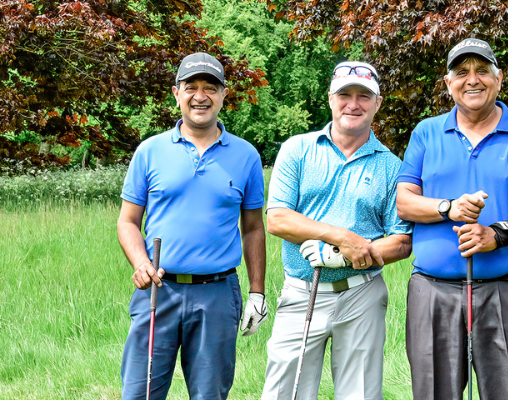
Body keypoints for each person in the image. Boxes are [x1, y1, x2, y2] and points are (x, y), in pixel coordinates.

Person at [396, 38, 508, 400]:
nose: (473, 79)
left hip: (507, 287)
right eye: (462, 72)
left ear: (498, 79)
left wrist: (496, 235)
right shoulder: (426, 132)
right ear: (448, 82)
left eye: (482, 71)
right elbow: (405, 202)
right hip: (433, 289)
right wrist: (448, 208)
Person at [117, 52, 268, 400]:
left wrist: (257, 291)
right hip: (158, 291)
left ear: (224, 95)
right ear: (176, 93)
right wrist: (141, 263)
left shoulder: (246, 156)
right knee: (139, 392)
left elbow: (253, 228)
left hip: (217, 293)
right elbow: (128, 222)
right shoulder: (150, 151)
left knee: (210, 395)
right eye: (191, 87)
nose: (200, 96)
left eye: (210, 88)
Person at [261, 61, 412, 400]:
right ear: (330, 98)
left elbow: (401, 242)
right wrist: (339, 238)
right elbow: (278, 219)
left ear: (377, 104)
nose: (353, 104)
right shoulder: (297, 149)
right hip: (302, 292)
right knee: (285, 392)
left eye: (363, 96)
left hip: (362, 293)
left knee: (359, 393)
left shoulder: (391, 166)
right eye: (345, 94)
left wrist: (344, 257)